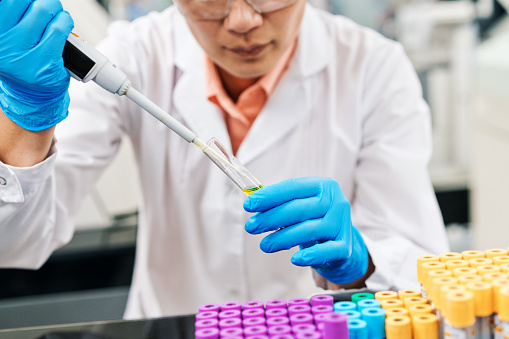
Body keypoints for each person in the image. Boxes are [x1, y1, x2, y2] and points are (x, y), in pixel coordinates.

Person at [0, 0, 449, 318]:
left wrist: (364, 262)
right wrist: (28, 117)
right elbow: (17, 245)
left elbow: (425, 273)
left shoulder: (373, 67)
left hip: (318, 329)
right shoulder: (134, 53)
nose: (241, 20)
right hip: (171, 327)